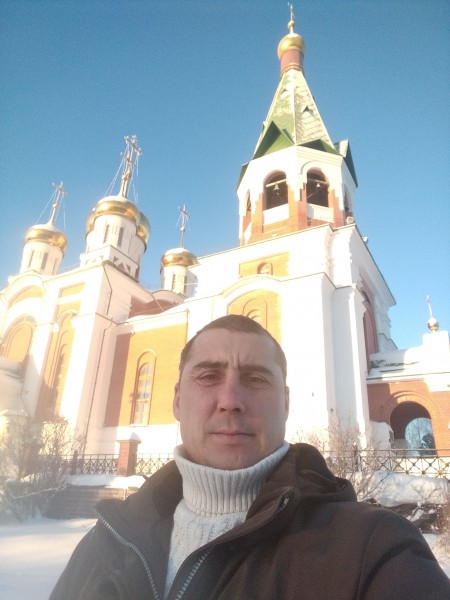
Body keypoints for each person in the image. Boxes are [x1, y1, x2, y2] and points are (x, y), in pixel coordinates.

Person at [50, 315, 450, 599]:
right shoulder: (108, 541)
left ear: (286, 403)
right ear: (177, 400)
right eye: (208, 376)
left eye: (256, 379)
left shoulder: (370, 548)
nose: (230, 401)